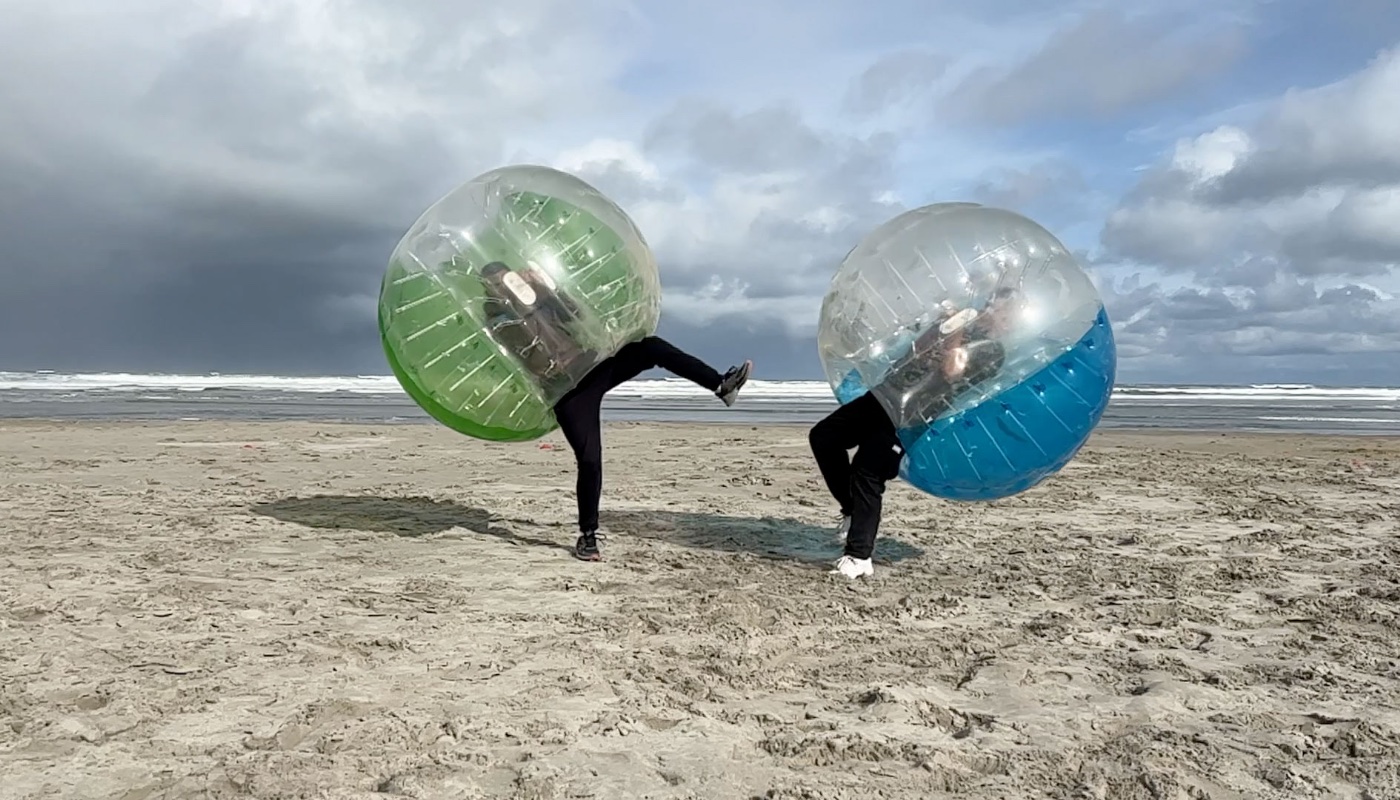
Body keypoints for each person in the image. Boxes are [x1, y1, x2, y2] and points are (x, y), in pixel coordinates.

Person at [477, 261, 752, 562]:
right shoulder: (497, 318)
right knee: (590, 459)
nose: (503, 288)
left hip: (592, 367)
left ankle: (721, 385)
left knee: (651, 348)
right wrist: (526, 298)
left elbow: (574, 315)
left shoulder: (540, 297)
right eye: (496, 285)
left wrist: (547, 288)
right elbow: (522, 341)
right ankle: (588, 536)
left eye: (506, 280)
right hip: (566, 391)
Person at [808, 287, 1019, 579]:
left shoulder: (992, 351)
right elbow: (914, 351)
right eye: (992, 303)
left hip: (911, 416)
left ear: (1007, 323)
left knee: (867, 472)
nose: (991, 309)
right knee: (823, 436)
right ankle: (851, 509)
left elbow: (951, 370)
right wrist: (942, 325)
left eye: (1001, 310)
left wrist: (957, 329)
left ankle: (859, 557)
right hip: (884, 396)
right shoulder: (960, 328)